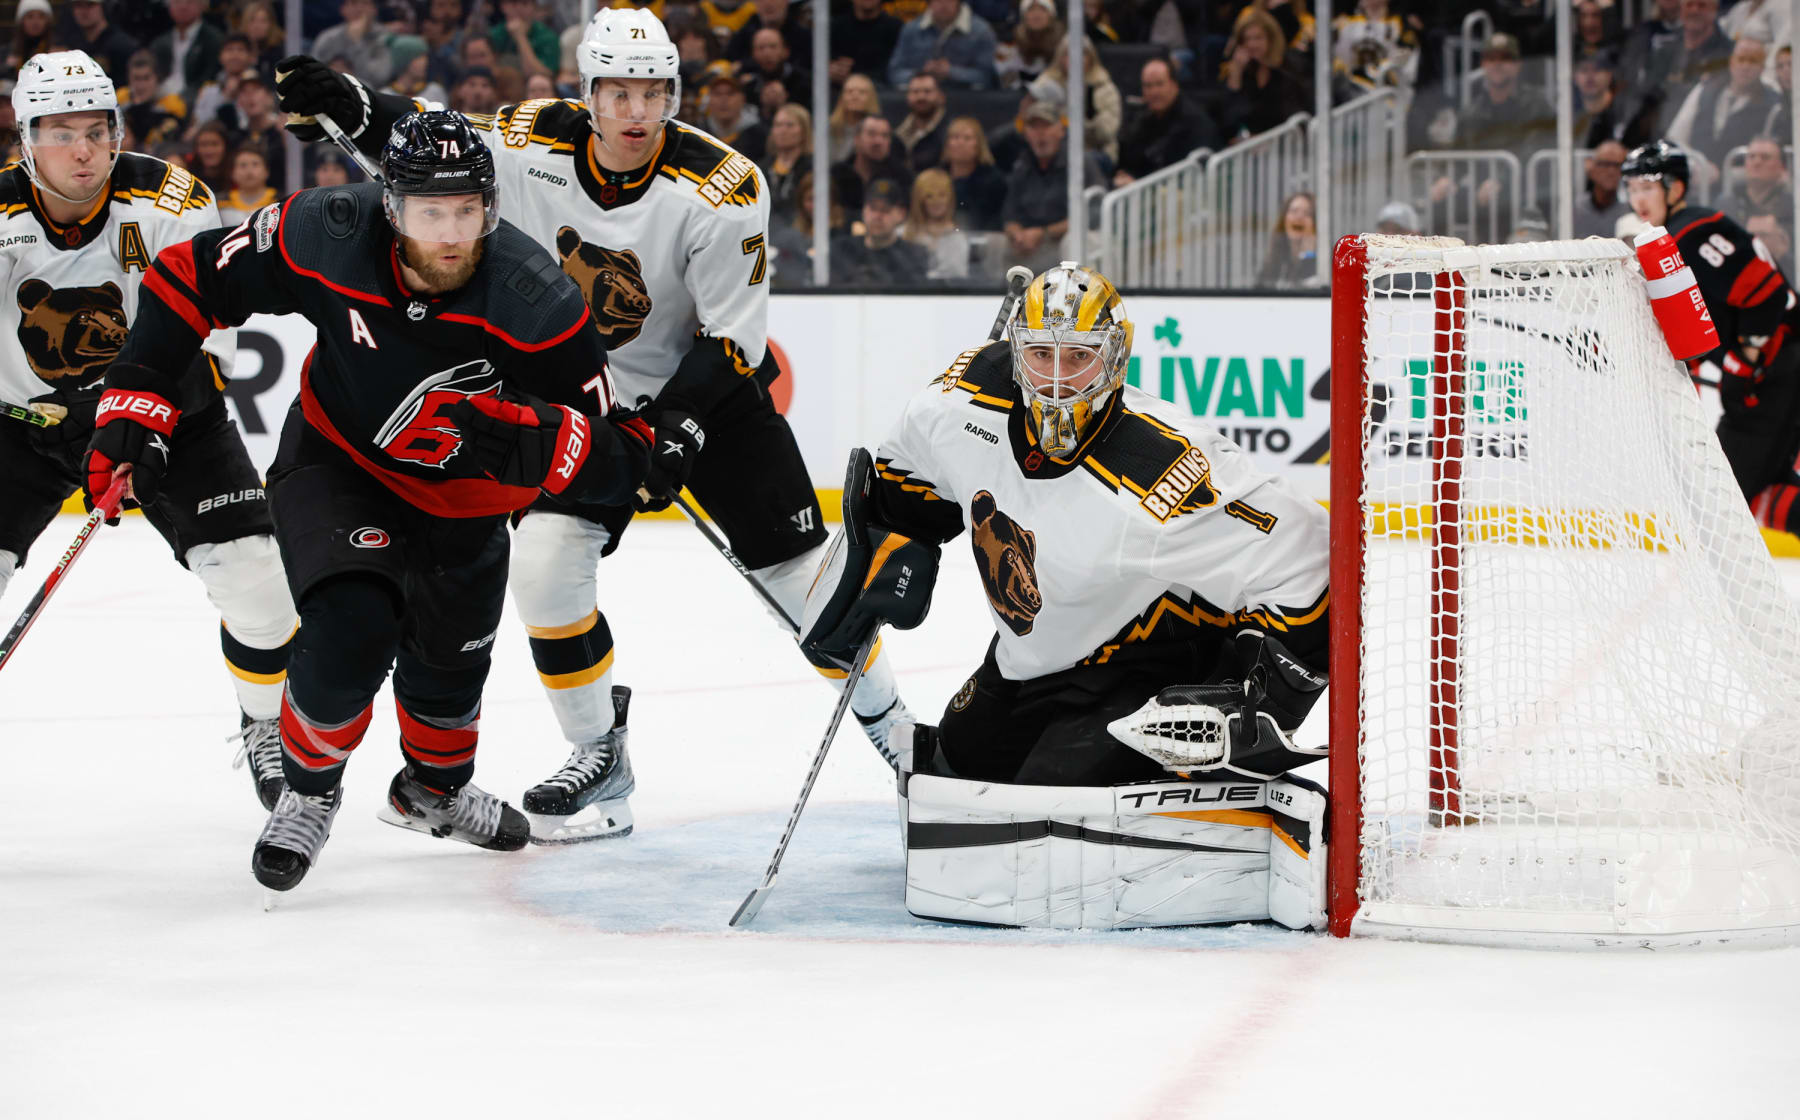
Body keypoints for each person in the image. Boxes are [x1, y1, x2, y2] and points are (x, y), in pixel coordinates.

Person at [275, 8, 919, 840]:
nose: (637, 110)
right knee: (543, 568)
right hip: (579, 403)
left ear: (673, 95)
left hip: (709, 400)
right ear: (590, 93)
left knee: (801, 576)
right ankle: (599, 754)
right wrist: (354, 101)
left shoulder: (725, 187)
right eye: (619, 90)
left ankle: (896, 731)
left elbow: (734, 343)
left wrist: (677, 435)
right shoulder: (533, 137)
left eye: (653, 91)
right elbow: (439, 142)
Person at [88, 109, 652, 890]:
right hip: (338, 462)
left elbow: (614, 458)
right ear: (391, 206)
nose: (452, 233)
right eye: (430, 212)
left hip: (467, 504)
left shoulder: (539, 302)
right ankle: (309, 793)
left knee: (448, 675)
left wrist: (534, 443)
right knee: (351, 626)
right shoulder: (326, 230)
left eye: (468, 210)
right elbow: (188, 277)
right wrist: (136, 399)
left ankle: (433, 790)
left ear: (491, 206)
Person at [797, 263, 1330, 929]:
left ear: (1115, 359)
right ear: (1015, 352)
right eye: (1040, 355)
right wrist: (888, 542)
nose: (1054, 380)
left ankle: (1229, 800)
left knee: (1038, 824)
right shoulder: (955, 407)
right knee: (942, 791)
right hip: (1033, 663)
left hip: (1150, 662)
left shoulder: (1164, 474)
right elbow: (907, 476)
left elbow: (1313, 560)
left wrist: (1260, 699)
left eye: (1077, 358)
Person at [0, 52, 296, 812]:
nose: (82, 149)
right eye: (60, 131)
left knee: (259, 587)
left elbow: (189, 331)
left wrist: (118, 408)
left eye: (97, 130)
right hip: (20, 429)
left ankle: (266, 723)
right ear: (25, 137)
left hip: (168, 412)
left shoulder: (168, 199)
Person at [1623, 140, 1800, 536]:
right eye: (1632, 189)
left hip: (1781, 368)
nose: (1638, 198)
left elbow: (1769, 296)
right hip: (1772, 373)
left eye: (1648, 187)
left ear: (1676, 188)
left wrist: (1745, 359)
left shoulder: (1695, 233)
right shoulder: (1673, 238)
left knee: (1724, 491)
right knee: (1753, 491)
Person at [999, 102, 1104, 273]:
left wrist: (1044, 233)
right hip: (1033, 244)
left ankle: (1077, 297)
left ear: (1061, 131)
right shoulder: (1021, 165)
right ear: (1026, 134)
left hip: (1067, 240)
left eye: (1046, 126)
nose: (1040, 133)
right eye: (1034, 127)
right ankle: (997, 297)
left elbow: (1093, 213)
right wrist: (1016, 233)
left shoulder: (1081, 162)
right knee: (998, 243)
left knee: (1073, 242)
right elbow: (1009, 212)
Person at [1664, 37, 1780, 179]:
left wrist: (1727, 177)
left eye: (1753, 61)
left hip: (1739, 187)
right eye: (1741, 59)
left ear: (1762, 68)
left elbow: (1768, 161)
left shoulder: (1772, 104)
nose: (1746, 66)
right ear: (1731, 62)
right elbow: (1675, 138)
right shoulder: (1704, 90)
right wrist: (1695, 167)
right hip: (1695, 180)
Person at [1112, 57, 1217, 186]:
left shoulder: (1195, 122)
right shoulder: (1142, 118)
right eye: (1148, 86)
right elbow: (1130, 159)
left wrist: (1139, 185)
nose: (1154, 92)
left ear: (1174, 85)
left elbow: (1189, 174)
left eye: (1160, 84)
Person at [831, 177, 932, 285]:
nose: (877, 216)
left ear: (901, 214)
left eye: (885, 210)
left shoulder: (914, 257)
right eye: (873, 208)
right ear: (864, 210)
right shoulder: (842, 251)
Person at [888, 0, 1000, 91]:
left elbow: (987, 77)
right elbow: (894, 73)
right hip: (919, 99)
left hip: (967, 99)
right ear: (928, 2)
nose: (943, 4)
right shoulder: (911, 30)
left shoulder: (981, 31)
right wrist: (921, 74)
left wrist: (951, 72)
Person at [832, 113, 910, 214]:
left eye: (885, 136)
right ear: (857, 139)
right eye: (871, 134)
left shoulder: (902, 177)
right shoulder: (837, 175)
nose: (878, 141)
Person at [941, 114, 1007, 231]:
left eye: (967, 138)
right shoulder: (936, 177)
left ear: (978, 145)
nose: (960, 143)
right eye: (955, 137)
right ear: (947, 144)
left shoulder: (994, 181)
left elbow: (997, 219)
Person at [152, 0, 226, 102]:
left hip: (195, 100)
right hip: (160, 97)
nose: (183, 6)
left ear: (202, 5)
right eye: (177, 2)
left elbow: (209, 77)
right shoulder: (160, 42)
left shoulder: (214, 41)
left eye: (190, 1)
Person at [311, 0, 394, 90]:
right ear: (343, 9)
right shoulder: (329, 37)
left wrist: (356, 42)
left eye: (365, 3)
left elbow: (379, 79)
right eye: (353, 3)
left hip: (369, 94)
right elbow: (313, 72)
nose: (359, 9)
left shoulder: (384, 37)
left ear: (374, 10)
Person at [904, 168, 969, 280]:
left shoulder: (957, 236)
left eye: (942, 195)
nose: (936, 201)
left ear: (950, 198)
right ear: (919, 199)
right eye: (929, 196)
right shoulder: (904, 233)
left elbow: (956, 275)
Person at [829, 0, 901, 94]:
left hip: (883, 89)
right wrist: (832, 69)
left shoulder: (896, 27)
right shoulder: (836, 27)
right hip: (842, 89)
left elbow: (896, 68)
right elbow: (824, 62)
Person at [761, 102, 813, 224]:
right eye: (778, 125)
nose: (782, 131)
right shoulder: (760, 168)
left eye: (790, 125)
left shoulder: (813, 169)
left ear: (804, 131)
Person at [1255, 191, 1319, 287]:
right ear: (1284, 220)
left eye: (1307, 213)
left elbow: (1311, 294)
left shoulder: (1325, 263)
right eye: (1294, 211)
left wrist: (1308, 255)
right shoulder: (1274, 259)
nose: (1299, 217)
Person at [1575, 138, 1631, 238]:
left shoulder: (1630, 212)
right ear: (1591, 166)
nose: (1611, 171)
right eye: (1605, 164)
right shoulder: (1574, 210)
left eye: (1617, 165)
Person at [896, 72, 949, 174]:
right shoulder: (897, 131)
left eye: (927, 91)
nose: (921, 97)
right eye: (915, 92)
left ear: (941, 96)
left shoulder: (951, 131)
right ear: (908, 97)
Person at [827, 72, 880, 161]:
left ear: (871, 98)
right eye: (849, 91)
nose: (855, 96)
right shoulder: (829, 127)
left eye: (862, 92)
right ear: (842, 97)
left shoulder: (878, 129)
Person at [219, 144, 277, 224]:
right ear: (232, 173)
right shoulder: (220, 203)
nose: (249, 171)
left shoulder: (280, 201)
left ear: (267, 171)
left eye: (255, 164)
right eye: (243, 165)